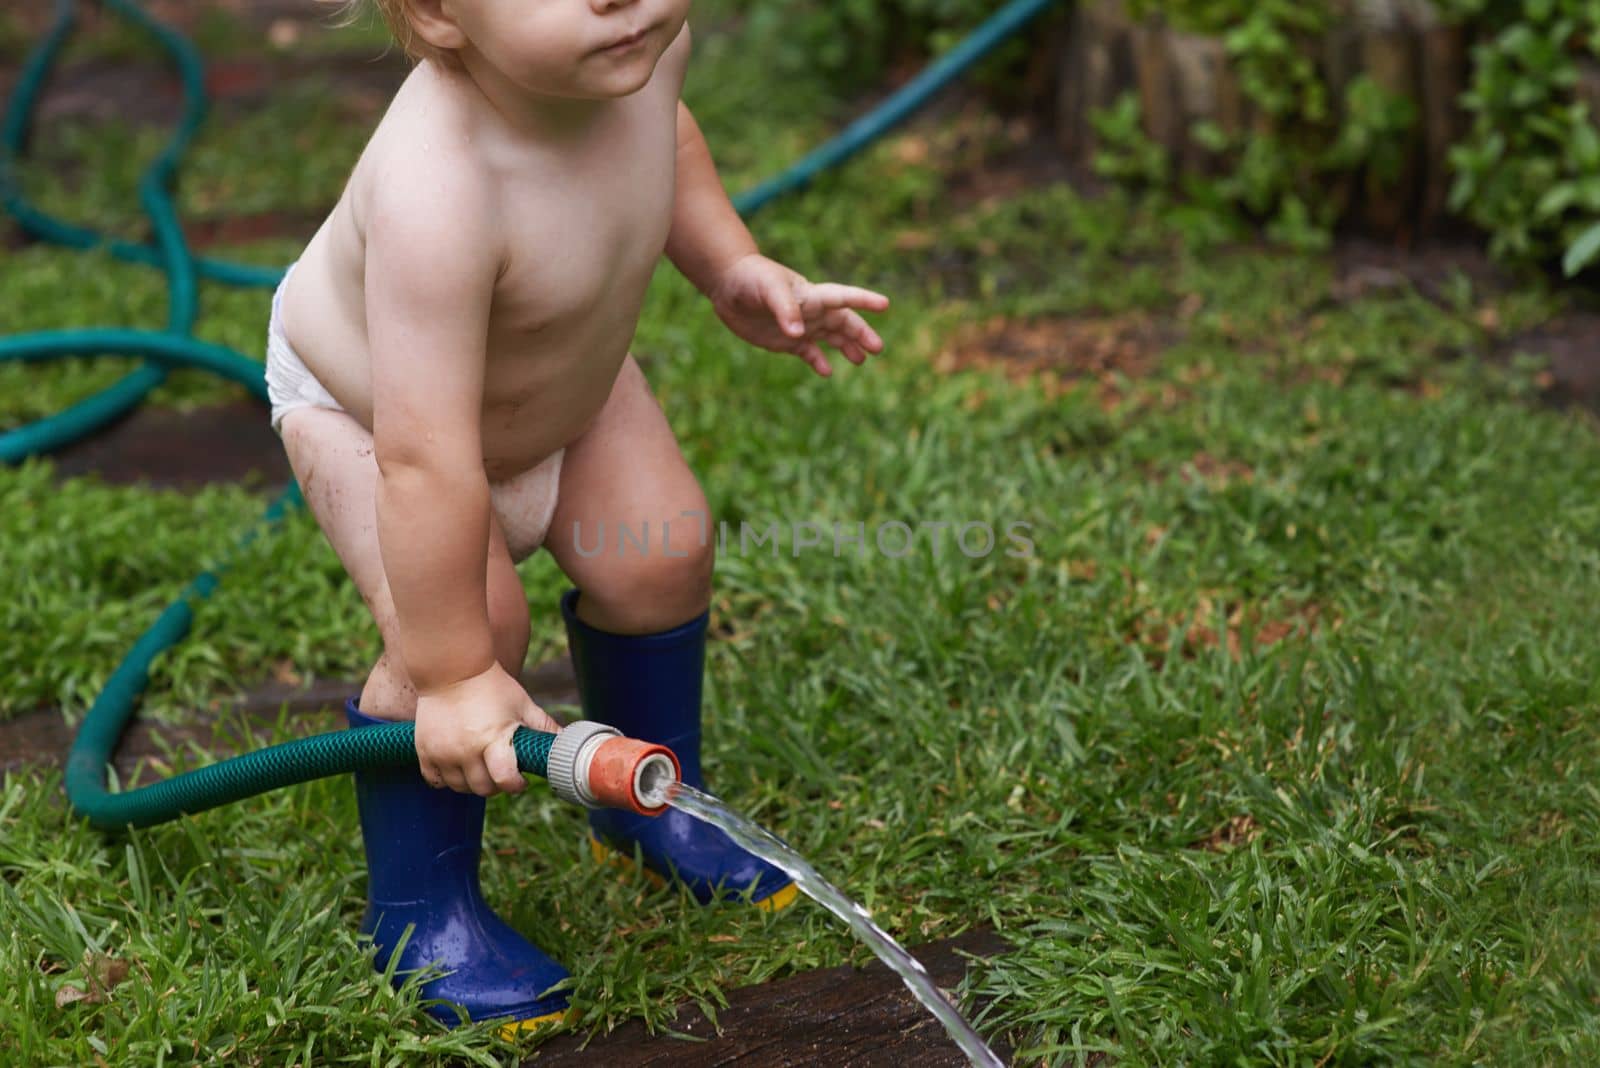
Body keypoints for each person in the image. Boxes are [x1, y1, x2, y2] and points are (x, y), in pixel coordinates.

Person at [265, 0, 890, 1034]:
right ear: (438, 14)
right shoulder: (439, 186)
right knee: (467, 632)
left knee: (662, 552)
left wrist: (729, 262)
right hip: (384, 418)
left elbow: (670, 137)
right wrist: (460, 677)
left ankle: (644, 805)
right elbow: (425, 458)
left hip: (566, 384)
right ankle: (420, 918)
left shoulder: (639, 51)